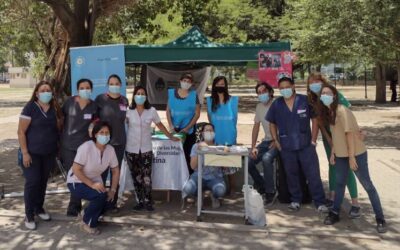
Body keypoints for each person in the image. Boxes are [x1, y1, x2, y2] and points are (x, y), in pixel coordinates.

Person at [319, 84, 387, 233]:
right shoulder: (329, 112)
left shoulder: (342, 111)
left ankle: (380, 218)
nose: (324, 95)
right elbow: (337, 136)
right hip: (341, 155)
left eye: (328, 93)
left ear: (335, 96)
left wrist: (351, 158)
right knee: (339, 184)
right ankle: (335, 213)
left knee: (368, 185)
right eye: (322, 93)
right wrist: (333, 153)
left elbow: (349, 135)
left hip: (356, 154)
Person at [266, 77, 327, 212]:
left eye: (287, 87)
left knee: (313, 174)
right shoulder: (277, 104)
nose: (284, 90)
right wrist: (276, 141)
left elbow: (315, 120)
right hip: (286, 146)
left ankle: (320, 202)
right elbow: (272, 123)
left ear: (293, 86)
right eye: (281, 88)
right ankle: (295, 200)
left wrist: (313, 140)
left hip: (306, 145)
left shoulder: (304, 100)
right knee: (291, 174)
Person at [306, 72, 360, 218]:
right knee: (332, 165)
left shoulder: (334, 94)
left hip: (342, 137)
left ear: (322, 81)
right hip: (328, 138)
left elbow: (347, 115)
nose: (314, 85)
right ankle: (333, 196)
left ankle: (355, 203)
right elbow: (320, 121)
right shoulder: (313, 99)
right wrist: (328, 138)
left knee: (347, 168)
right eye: (311, 83)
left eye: (316, 81)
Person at [17, 81, 63, 230]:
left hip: (48, 153)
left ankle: (39, 208)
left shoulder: (54, 109)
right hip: (31, 154)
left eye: (48, 90)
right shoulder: (30, 108)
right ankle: (29, 214)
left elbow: (57, 129)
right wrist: (25, 153)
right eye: (42, 90)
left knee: (43, 182)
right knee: (33, 182)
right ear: (36, 93)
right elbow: (21, 132)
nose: (46, 93)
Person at [126, 86, 179, 211]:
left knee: (147, 177)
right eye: (138, 93)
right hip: (131, 149)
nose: (140, 96)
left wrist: (170, 136)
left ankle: (148, 201)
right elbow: (121, 125)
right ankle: (139, 201)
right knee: (136, 176)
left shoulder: (151, 111)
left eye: (142, 93)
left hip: (146, 149)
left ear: (146, 96)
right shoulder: (128, 111)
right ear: (134, 96)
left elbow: (159, 125)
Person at [67, 121, 120, 235]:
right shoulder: (86, 147)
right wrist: (92, 184)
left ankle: (86, 213)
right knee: (99, 196)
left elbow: (115, 171)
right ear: (95, 134)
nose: (104, 135)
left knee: (109, 201)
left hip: (95, 180)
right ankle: (88, 223)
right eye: (101, 132)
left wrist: (113, 190)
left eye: (107, 133)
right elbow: (76, 169)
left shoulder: (110, 150)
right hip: (76, 181)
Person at [61, 78, 98, 217]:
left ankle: (78, 203)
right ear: (77, 90)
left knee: (82, 174)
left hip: (85, 147)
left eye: (88, 88)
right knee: (73, 175)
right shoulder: (69, 103)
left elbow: (96, 123)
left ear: (91, 90)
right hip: (68, 145)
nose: (85, 90)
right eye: (82, 88)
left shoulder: (94, 106)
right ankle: (74, 205)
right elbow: (61, 120)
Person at [95, 74, 129, 210]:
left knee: (116, 173)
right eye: (111, 83)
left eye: (117, 83)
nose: (114, 86)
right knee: (101, 173)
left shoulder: (124, 100)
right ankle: (99, 202)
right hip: (104, 143)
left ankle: (112, 203)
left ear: (120, 85)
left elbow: (126, 118)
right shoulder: (100, 99)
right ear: (108, 85)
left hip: (119, 142)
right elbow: (94, 121)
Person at [248, 82, 279, 205]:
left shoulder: (278, 105)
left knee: (267, 159)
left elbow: (286, 126)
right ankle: (263, 186)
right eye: (259, 93)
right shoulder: (259, 107)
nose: (262, 95)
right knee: (249, 161)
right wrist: (254, 146)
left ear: (271, 92)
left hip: (278, 142)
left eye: (264, 91)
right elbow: (256, 127)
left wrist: (277, 141)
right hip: (266, 141)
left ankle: (271, 192)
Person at [182, 123, 226, 208]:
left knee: (220, 190)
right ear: (202, 133)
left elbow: (225, 167)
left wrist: (222, 153)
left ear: (214, 133)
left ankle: (214, 196)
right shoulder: (196, 146)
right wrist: (200, 150)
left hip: (215, 176)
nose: (209, 132)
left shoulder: (219, 146)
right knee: (188, 188)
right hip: (199, 175)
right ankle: (198, 196)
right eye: (206, 130)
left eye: (211, 130)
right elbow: (193, 166)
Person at [166, 73, 200, 174]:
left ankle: (188, 177)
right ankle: (176, 177)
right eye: (184, 80)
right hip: (174, 130)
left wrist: (187, 128)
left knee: (188, 154)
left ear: (192, 83)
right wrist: (171, 126)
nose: (186, 83)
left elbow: (197, 114)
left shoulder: (194, 95)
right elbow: (168, 111)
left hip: (188, 131)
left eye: (189, 81)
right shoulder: (172, 93)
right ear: (180, 81)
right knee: (174, 155)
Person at [206, 76, 239, 146]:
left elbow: (235, 119)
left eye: (222, 84)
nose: (219, 86)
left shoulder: (233, 100)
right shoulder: (209, 100)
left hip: (230, 137)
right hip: (215, 138)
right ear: (214, 85)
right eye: (217, 84)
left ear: (225, 85)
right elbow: (210, 119)